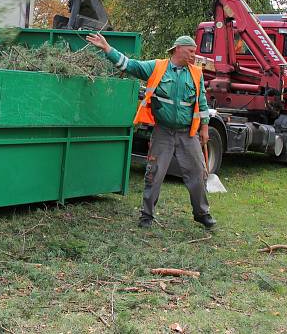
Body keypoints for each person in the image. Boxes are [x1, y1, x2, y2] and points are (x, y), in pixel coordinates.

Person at [85, 33, 217, 229]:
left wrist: (204, 129)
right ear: (178, 48)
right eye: (191, 50)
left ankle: (202, 213)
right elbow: (130, 65)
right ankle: (146, 215)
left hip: (187, 134)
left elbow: (202, 103)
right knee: (154, 174)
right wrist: (107, 49)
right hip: (163, 132)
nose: (193, 54)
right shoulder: (157, 67)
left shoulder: (196, 73)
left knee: (198, 174)